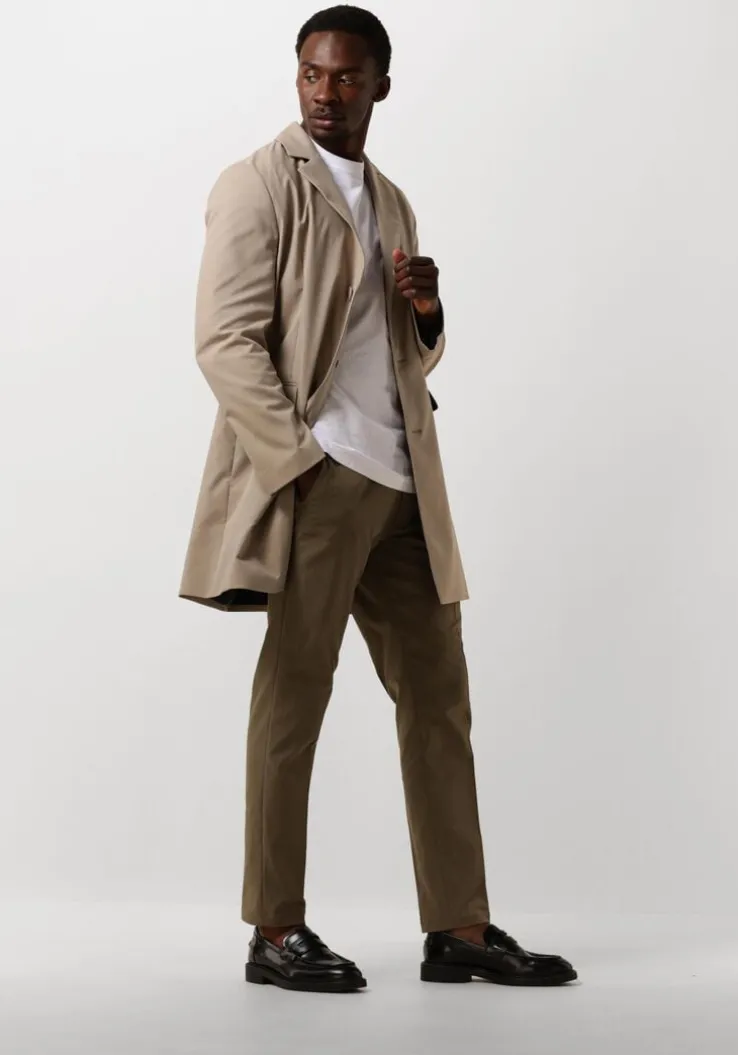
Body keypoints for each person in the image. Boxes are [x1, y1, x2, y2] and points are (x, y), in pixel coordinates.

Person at [180, 4, 577, 993]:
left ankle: (460, 926)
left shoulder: (392, 202)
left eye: (348, 77)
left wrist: (428, 312)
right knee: (293, 700)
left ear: (381, 87)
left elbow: (403, 357)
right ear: (298, 77)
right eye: (312, 73)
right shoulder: (257, 183)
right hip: (318, 480)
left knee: (439, 700)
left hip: (405, 483)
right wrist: (299, 461)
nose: (327, 92)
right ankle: (275, 929)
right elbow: (224, 341)